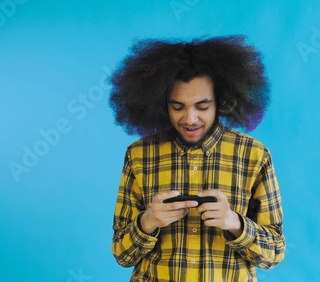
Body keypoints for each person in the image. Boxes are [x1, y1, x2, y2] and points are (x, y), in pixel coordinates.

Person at [110, 35, 285, 281]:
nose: (190, 119)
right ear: (162, 104)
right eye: (178, 106)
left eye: (202, 106)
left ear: (222, 102)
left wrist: (234, 223)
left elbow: (274, 253)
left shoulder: (254, 156)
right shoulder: (139, 155)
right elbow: (122, 255)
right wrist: (148, 221)